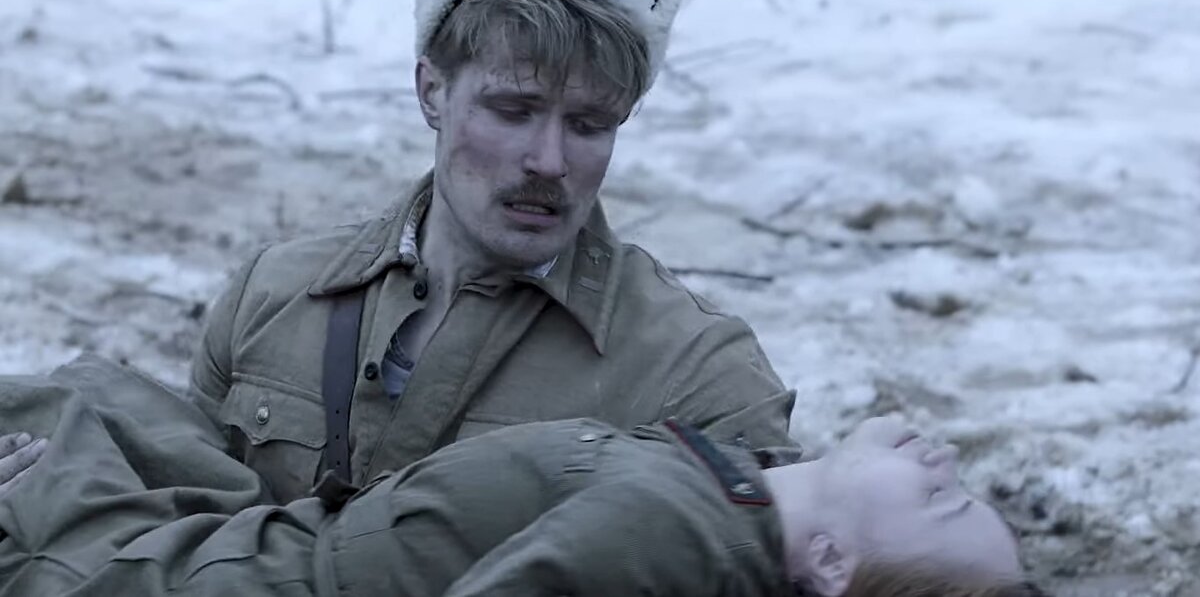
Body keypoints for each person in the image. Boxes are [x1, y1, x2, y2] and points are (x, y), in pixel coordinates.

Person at [0, 0, 801, 500]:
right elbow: (184, 535)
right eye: (514, 110)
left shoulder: (697, 376)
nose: (551, 161)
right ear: (431, 91)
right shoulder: (272, 299)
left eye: (591, 125)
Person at [0, 355, 1048, 597]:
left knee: (39, 422)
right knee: (94, 384)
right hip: (274, 531)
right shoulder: (737, 488)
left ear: (830, 562)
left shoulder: (678, 534)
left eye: (944, 502)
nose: (946, 462)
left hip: (198, 582)